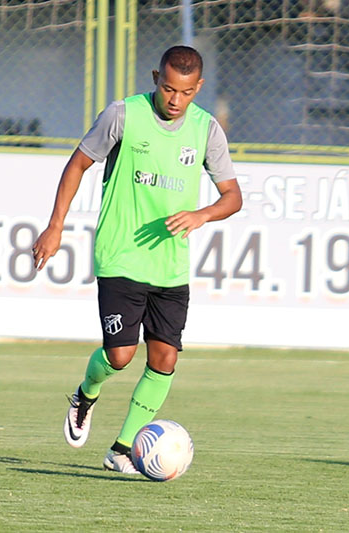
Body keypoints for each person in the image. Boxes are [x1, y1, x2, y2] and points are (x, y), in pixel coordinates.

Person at [32, 45, 243, 473]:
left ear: (197, 88)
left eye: (185, 92)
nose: (175, 100)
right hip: (121, 255)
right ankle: (86, 393)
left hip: (171, 265)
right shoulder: (122, 115)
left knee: (165, 358)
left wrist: (201, 215)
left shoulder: (206, 130)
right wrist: (55, 226)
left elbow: (233, 197)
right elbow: (77, 165)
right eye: (168, 88)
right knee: (122, 355)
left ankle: (123, 449)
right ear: (155, 78)